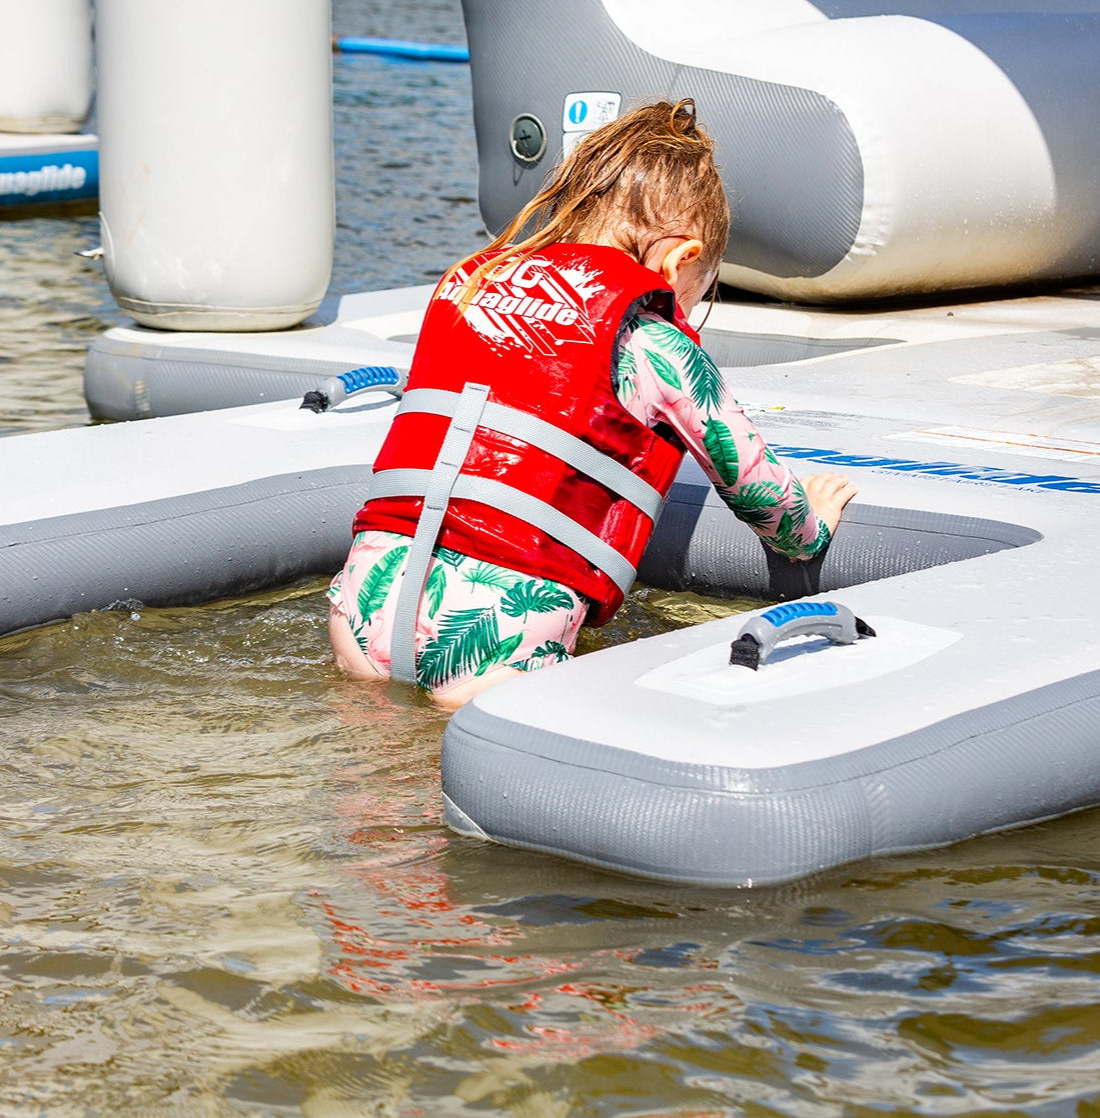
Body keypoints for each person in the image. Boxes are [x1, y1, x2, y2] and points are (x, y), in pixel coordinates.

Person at [328, 99, 857, 708]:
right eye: (697, 289)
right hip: (494, 642)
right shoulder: (651, 338)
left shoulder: (469, 287)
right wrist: (808, 525)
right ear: (680, 260)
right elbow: (761, 493)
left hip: (362, 609)